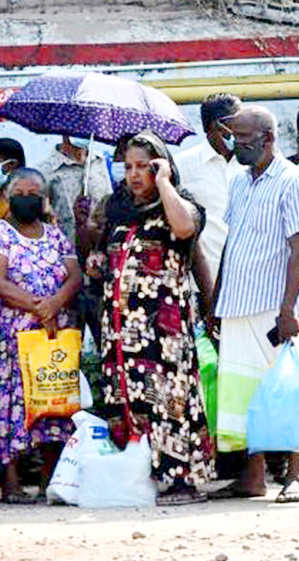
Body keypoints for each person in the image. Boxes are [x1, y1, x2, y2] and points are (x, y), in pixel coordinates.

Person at [88, 131, 213, 506]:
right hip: (120, 333)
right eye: (128, 167)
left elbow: (184, 229)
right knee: (125, 399)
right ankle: (134, 478)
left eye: (144, 166)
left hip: (163, 331)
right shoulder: (116, 207)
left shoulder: (181, 203)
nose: (134, 174)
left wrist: (164, 183)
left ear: (162, 165)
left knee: (167, 400)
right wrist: (95, 258)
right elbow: (100, 253)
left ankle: (180, 481)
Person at [209, 105, 299, 504]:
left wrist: (288, 311)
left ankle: (295, 477)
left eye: (244, 138)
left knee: (284, 389)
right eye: (233, 136)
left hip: (272, 307)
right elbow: (231, 245)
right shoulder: (237, 181)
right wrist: (216, 300)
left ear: (268, 139)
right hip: (236, 303)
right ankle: (252, 479)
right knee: (242, 393)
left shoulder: (293, 181)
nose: (235, 144)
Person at [0, 168, 82, 503]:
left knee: (54, 403)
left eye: (33, 193)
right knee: (11, 405)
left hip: (55, 336)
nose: (27, 199)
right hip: (15, 336)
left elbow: (75, 276)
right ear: (8, 196)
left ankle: (52, 478)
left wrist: (55, 305)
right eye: (20, 193)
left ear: (44, 199)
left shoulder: (55, 235)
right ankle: (10, 482)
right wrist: (42, 309)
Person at [174, 93, 244, 312]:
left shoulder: (252, 163)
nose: (241, 130)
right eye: (235, 123)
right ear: (212, 127)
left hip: (249, 281)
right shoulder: (182, 165)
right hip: (203, 285)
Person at [36, 135, 113, 243]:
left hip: (97, 247)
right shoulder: (45, 171)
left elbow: (107, 202)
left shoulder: (98, 163)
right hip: (64, 246)